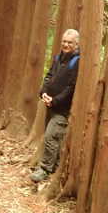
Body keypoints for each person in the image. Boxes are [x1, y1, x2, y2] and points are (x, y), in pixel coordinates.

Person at [30, 29, 80, 183]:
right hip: (50, 105)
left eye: (69, 42)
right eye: (64, 41)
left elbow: (71, 87)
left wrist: (56, 100)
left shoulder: (77, 61)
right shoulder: (58, 58)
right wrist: (43, 92)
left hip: (63, 109)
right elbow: (49, 76)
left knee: (51, 136)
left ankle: (44, 169)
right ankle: (56, 167)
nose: (66, 44)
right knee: (54, 138)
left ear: (76, 44)